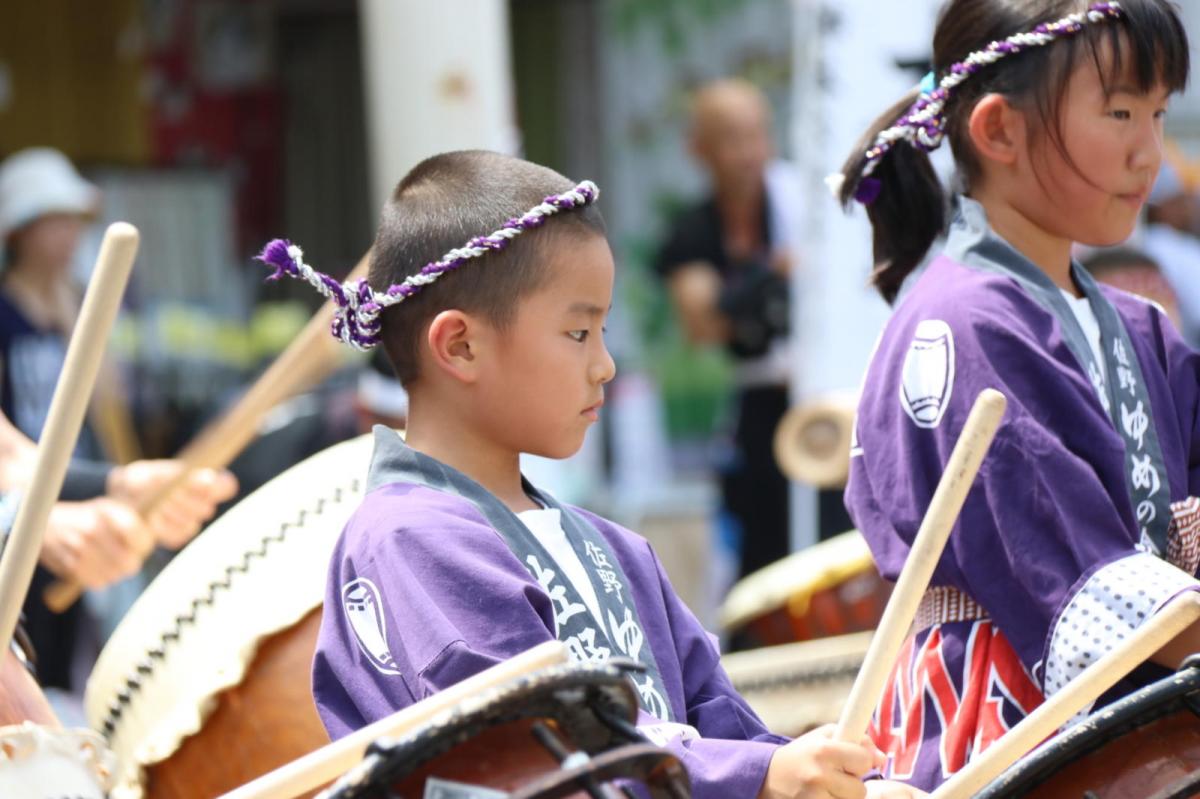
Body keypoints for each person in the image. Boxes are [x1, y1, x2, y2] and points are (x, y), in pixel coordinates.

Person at [261, 150, 922, 798]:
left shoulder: (615, 550)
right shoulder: (412, 538)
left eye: (603, 331)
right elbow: (532, 752)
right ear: (460, 345)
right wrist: (756, 777)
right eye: (579, 333)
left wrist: (807, 775)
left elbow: (723, 728)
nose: (604, 364)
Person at [832, 0, 1195, 791]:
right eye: (1122, 111)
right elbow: (1082, 586)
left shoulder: (1140, 328)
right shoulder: (962, 324)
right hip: (1000, 722)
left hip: (1139, 700)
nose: (1151, 153)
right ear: (999, 131)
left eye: (1159, 112)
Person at [0, 147, 238, 691]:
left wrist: (118, 482)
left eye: (71, 220)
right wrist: (20, 521)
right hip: (26, 519)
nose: (67, 235)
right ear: (20, 229)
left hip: (52, 491)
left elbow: (9, 454)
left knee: (60, 668)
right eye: (53, 220)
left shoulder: (74, 303)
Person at [655, 79, 809, 581]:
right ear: (698, 148)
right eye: (731, 138)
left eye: (757, 135)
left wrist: (742, 296)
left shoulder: (801, 205)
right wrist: (773, 277)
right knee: (762, 546)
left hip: (822, 395)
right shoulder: (694, 230)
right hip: (759, 405)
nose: (748, 152)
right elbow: (702, 323)